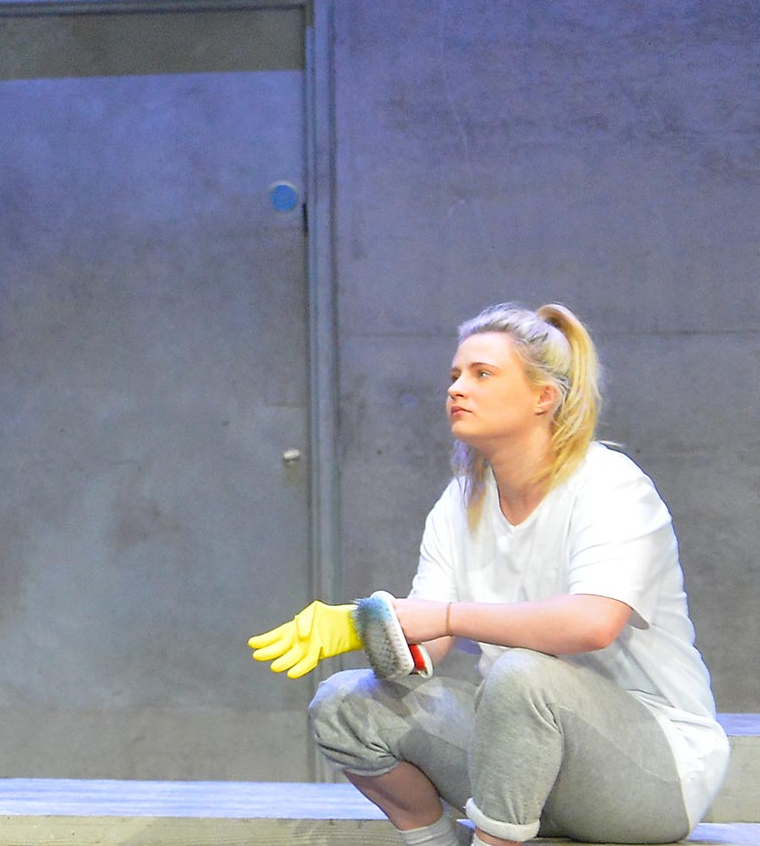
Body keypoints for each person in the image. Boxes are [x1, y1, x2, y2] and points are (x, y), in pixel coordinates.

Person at [256, 302, 728, 846]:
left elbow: (593, 624)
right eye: (454, 376)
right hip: (522, 758)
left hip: (654, 775)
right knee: (343, 703)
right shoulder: (460, 502)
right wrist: (372, 623)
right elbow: (426, 650)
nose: (457, 389)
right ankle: (435, 842)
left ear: (543, 397)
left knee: (523, 676)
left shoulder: (611, 484)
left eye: (482, 374)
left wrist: (446, 615)